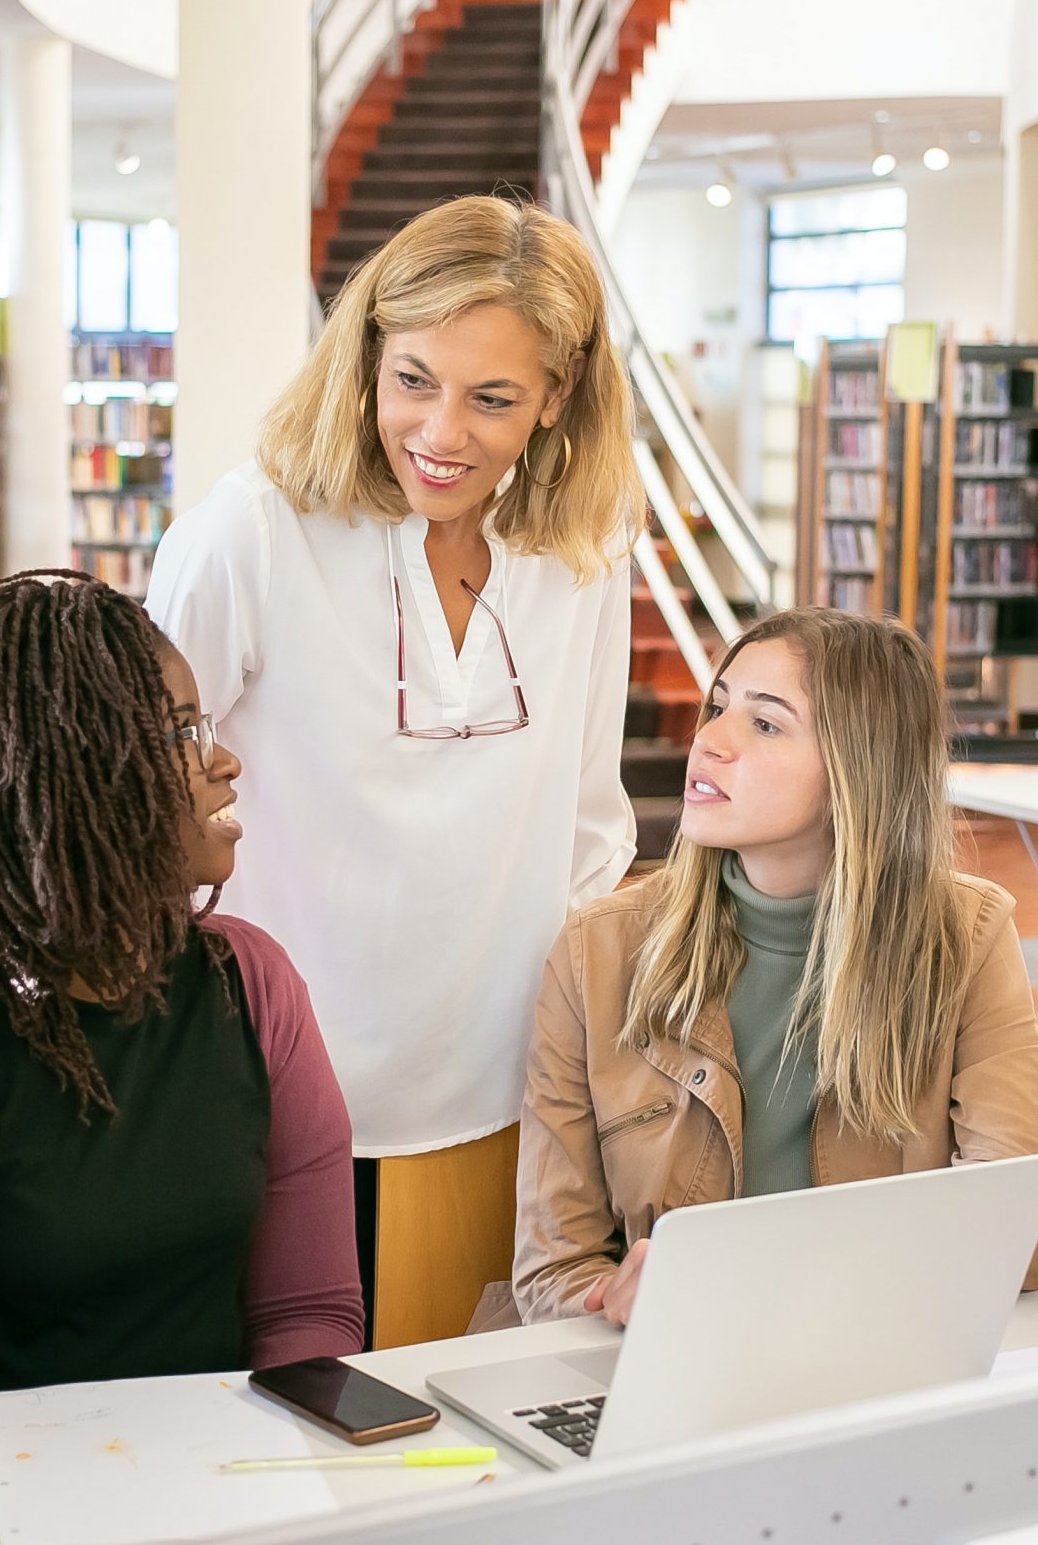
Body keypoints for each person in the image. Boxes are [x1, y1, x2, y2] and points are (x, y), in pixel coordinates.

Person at [146, 195, 645, 1294]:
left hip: (508, 1087)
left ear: (557, 398)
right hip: (269, 1092)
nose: (441, 432)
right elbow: (138, 804)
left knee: (462, 1436)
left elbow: (586, 815)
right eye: (413, 380)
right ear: (368, 356)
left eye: (493, 399)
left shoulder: (588, 546)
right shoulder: (251, 533)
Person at [0, 573, 363, 1439]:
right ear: (68, 774)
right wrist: (147, 1477)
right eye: (183, 733)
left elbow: (308, 1321)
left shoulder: (254, 984)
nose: (224, 759)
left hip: (227, 1486)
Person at [516, 608, 1038, 1325]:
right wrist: (618, 1297)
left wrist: (772, 1291)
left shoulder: (965, 937)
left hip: (868, 1363)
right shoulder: (595, 951)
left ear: (858, 767)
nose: (710, 741)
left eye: (765, 723)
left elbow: (1035, 1229)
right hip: (660, 1370)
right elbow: (551, 1269)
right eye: (717, 708)